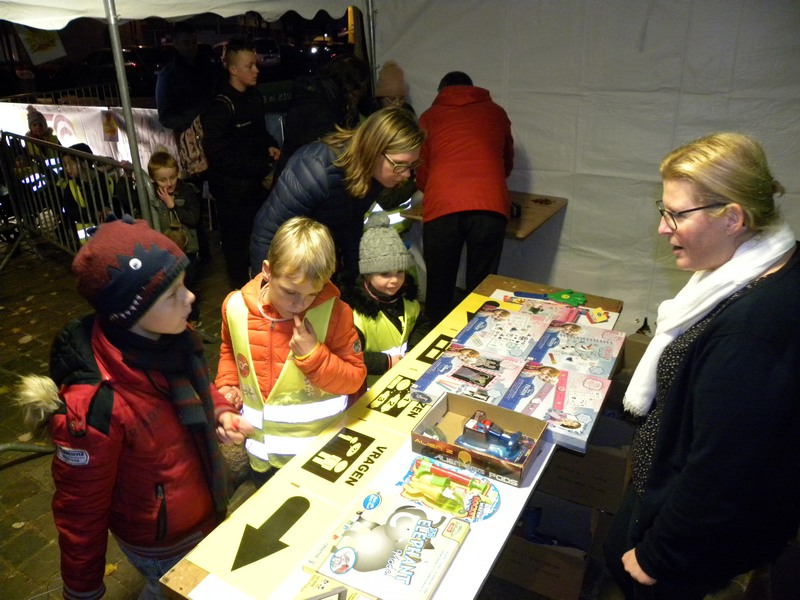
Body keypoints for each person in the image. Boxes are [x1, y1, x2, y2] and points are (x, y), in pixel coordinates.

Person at [604, 132, 800, 599]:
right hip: (679, 491)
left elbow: (724, 471)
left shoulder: (751, 331)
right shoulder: (764, 263)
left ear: (732, 217)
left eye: (677, 214)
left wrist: (659, 555)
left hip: (687, 535)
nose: (662, 228)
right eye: (663, 210)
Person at [16, 216, 251, 600]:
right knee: (169, 591)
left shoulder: (170, 338)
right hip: (163, 541)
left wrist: (221, 410)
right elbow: (80, 510)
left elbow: (197, 385)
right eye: (173, 293)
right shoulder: (95, 407)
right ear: (131, 312)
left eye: (184, 284)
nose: (191, 297)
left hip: (203, 500)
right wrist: (82, 590)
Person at [217, 216, 366, 486]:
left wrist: (314, 356)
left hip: (320, 456)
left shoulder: (336, 314)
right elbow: (229, 350)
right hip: (260, 457)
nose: (300, 304)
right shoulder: (235, 307)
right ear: (267, 271)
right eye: (290, 292)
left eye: (312, 294)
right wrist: (227, 385)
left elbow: (354, 379)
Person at [250, 107, 425, 287]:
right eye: (399, 164)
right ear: (373, 150)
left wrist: (354, 281)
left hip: (319, 264)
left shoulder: (374, 174)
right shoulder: (315, 168)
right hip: (290, 270)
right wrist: (265, 290)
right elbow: (266, 234)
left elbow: (351, 225)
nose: (406, 174)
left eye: (412, 165)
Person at [416, 71, 514, 325]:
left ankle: (434, 336)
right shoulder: (496, 113)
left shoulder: (429, 116)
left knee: (439, 282)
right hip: (489, 206)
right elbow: (506, 160)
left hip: (443, 205)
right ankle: (478, 336)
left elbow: (421, 167)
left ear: (441, 92)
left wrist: (433, 191)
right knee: (483, 284)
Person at [201, 39, 281, 289]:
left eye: (256, 65)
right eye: (249, 66)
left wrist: (270, 145)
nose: (256, 70)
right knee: (237, 248)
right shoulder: (220, 107)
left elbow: (259, 133)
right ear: (233, 69)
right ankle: (241, 294)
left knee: (260, 241)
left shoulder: (254, 97)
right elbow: (218, 155)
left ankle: (262, 288)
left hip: (256, 188)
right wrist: (260, 166)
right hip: (232, 194)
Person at [342, 211, 429, 387]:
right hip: (369, 388)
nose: (395, 280)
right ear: (367, 275)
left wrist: (413, 350)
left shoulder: (408, 300)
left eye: (400, 272)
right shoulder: (353, 316)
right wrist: (386, 362)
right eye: (385, 274)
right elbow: (349, 356)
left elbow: (421, 324)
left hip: (403, 380)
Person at [147, 149, 202, 324]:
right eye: (162, 180)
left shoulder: (186, 191)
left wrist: (172, 205)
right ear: (153, 179)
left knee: (187, 284)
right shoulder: (150, 193)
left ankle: (192, 317)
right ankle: (174, 317)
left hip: (187, 250)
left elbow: (193, 219)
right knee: (168, 286)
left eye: (172, 177)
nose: (169, 183)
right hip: (164, 250)